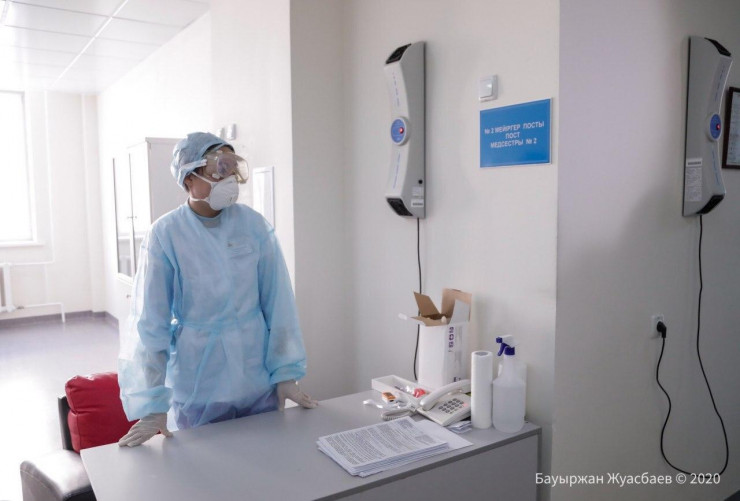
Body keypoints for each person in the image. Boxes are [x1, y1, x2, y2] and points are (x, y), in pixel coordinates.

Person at [118, 132, 316, 447]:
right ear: (188, 178)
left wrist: (285, 373)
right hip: (200, 383)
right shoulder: (166, 234)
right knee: (206, 468)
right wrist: (152, 404)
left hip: (256, 380)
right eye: (218, 169)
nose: (229, 179)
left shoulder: (253, 226)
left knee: (268, 461)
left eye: (231, 168)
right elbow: (151, 324)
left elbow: (279, 306)